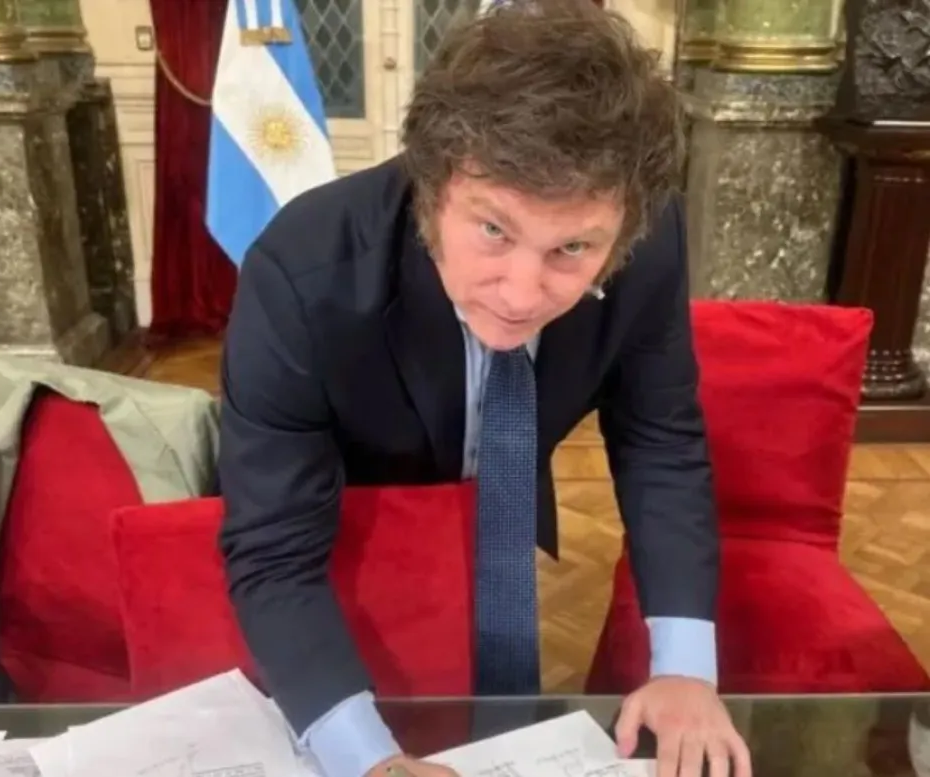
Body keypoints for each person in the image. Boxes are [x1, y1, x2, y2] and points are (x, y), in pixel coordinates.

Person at [218, 2, 752, 777]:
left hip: (496, 503)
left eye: (573, 248)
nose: (522, 294)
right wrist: (371, 761)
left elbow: (659, 439)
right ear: (432, 187)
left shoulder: (649, 234)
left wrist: (686, 671)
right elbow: (274, 553)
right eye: (493, 230)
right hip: (349, 532)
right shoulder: (300, 272)